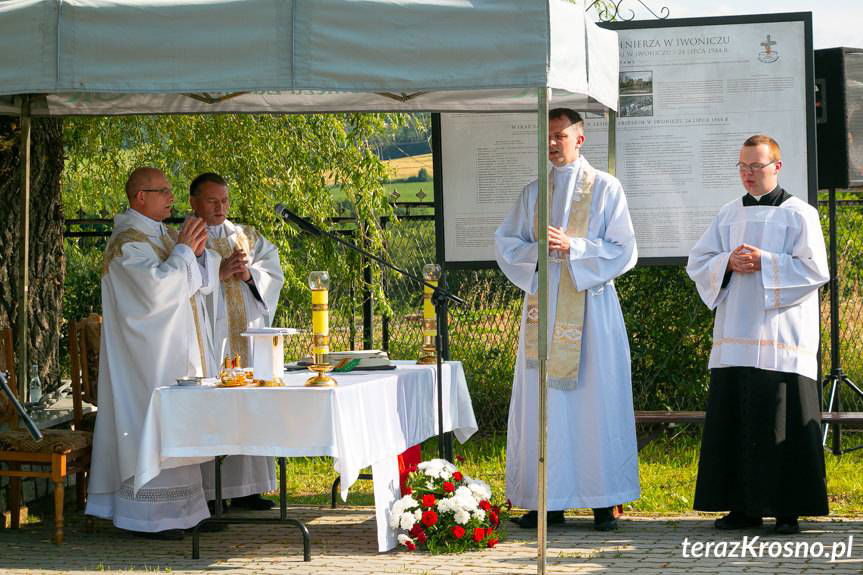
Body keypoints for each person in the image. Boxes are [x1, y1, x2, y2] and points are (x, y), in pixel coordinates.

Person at [495, 108, 640, 531]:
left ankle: (603, 501)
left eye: (560, 135)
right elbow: (507, 244)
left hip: (591, 310)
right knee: (544, 404)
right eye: (548, 136)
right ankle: (546, 501)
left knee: (595, 400)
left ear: (580, 138)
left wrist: (574, 247)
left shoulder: (607, 188)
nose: (553, 143)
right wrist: (539, 251)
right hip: (544, 307)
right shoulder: (533, 193)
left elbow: (625, 249)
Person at [687, 135, 830, 535]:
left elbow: (816, 270)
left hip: (782, 339)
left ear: (776, 167)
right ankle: (743, 508)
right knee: (738, 417)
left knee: (782, 419)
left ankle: (787, 510)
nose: (748, 174)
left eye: (756, 166)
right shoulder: (728, 214)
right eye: (743, 166)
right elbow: (698, 262)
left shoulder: (800, 214)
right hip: (736, 334)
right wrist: (726, 262)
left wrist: (766, 261)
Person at [86, 167, 220, 539]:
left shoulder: (161, 235)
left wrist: (197, 254)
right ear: (139, 197)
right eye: (162, 191)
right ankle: (147, 517)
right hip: (145, 359)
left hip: (172, 351)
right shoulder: (127, 243)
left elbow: (199, 286)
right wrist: (184, 251)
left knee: (177, 426)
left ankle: (184, 512)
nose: (171, 197)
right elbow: (154, 293)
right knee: (152, 425)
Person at [189, 172, 284, 511]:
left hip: (246, 335)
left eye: (225, 200)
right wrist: (218, 273)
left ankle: (247, 488)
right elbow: (180, 281)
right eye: (212, 201)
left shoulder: (246, 235)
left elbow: (273, 273)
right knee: (215, 411)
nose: (221, 207)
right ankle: (211, 491)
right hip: (212, 339)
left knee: (249, 405)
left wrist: (249, 275)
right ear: (194, 202)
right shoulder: (184, 238)